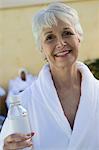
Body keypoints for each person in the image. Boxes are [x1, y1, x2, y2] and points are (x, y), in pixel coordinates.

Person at [0, 2, 99, 150]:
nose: (61, 43)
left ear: (78, 37)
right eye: (50, 37)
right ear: (42, 49)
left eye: (67, 33)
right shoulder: (24, 103)